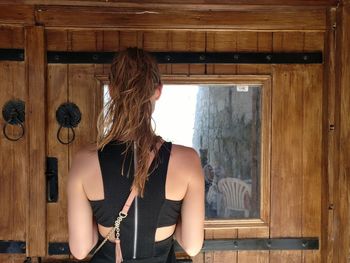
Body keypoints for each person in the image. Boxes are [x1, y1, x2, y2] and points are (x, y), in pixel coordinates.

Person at [67, 47, 205, 263]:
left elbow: (80, 249)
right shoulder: (187, 160)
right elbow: (192, 245)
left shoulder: (85, 160)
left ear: (112, 90)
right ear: (158, 91)